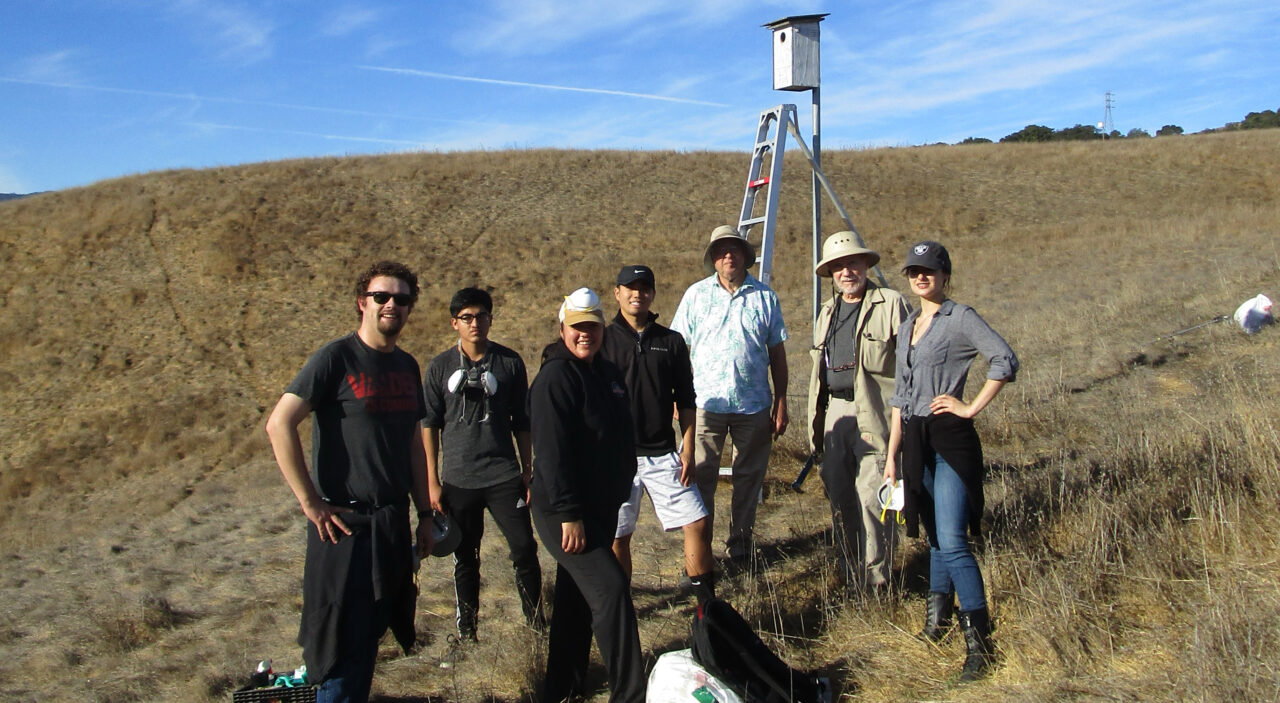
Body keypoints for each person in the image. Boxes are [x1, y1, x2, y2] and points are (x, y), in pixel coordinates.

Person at [265, 260, 433, 703]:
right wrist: (311, 502)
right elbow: (279, 424)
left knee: (370, 637)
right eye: (382, 296)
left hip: (390, 524)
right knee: (338, 647)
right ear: (363, 302)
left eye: (402, 298)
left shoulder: (407, 366)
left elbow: (414, 446)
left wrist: (425, 514)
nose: (392, 304)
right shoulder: (334, 359)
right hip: (343, 528)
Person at [883, 241, 1019, 682]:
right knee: (936, 540)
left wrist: (970, 406)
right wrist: (891, 457)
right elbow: (901, 398)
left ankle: (980, 645)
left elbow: (1004, 360)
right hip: (914, 441)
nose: (921, 277)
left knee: (954, 540)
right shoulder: (907, 324)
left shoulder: (960, 317)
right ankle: (937, 623)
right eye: (914, 271)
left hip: (949, 438)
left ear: (945, 275)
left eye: (929, 270)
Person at [529, 288, 646, 703]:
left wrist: (621, 486)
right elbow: (551, 454)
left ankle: (561, 688)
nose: (585, 334)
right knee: (611, 588)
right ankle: (630, 694)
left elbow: (620, 433)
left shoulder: (607, 373)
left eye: (592, 327)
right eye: (577, 327)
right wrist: (569, 514)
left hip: (601, 507)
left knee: (576, 597)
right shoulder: (555, 379)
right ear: (562, 328)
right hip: (564, 512)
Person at [422, 287, 543, 645]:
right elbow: (429, 424)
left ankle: (536, 624)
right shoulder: (439, 367)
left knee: (524, 548)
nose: (475, 323)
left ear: (491, 319)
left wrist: (527, 470)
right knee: (466, 555)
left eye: (481, 316)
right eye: (467, 318)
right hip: (458, 480)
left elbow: (522, 421)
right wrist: (432, 481)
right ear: (454, 323)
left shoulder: (509, 363)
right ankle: (467, 633)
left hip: (503, 475)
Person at [670, 225, 788, 566]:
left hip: (753, 405)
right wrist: (676, 398)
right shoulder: (696, 295)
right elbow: (677, 351)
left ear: (744, 255)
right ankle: (700, 552)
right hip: (704, 406)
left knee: (749, 478)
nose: (728, 256)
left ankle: (740, 547)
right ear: (713, 258)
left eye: (734, 249)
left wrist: (781, 400)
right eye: (721, 251)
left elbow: (777, 353)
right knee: (698, 476)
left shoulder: (765, 297)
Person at [600, 265, 716, 604]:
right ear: (617, 293)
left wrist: (688, 448)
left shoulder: (671, 341)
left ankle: (705, 606)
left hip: (663, 453)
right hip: (616, 459)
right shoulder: (602, 341)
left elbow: (687, 399)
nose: (637, 294)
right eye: (630, 287)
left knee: (697, 522)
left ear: (653, 293)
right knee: (617, 537)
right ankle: (621, 609)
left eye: (644, 288)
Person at [806, 232, 911, 592]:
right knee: (840, 499)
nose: (846, 272)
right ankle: (850, 578)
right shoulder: (826, 312)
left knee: (872, 498)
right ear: (830, 273)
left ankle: (877, 585)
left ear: (866, 264)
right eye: (838, 266)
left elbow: (910, 367)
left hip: (876, 413)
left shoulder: (892, 304)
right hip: (835, 413)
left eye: (852, 263)